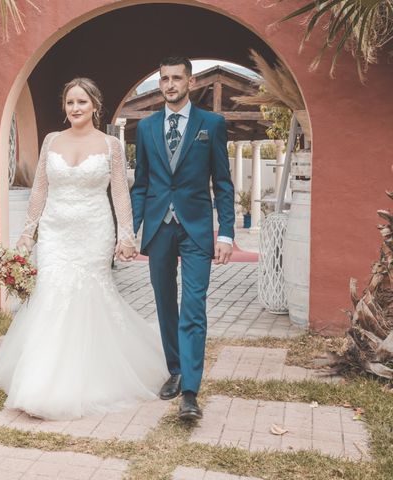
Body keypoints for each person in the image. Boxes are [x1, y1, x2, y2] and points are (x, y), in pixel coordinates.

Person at [0, 78, 167, 421]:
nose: (75, 108)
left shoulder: (111, 145)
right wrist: (29, 233)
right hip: (55, 232)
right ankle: (38, 383)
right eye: (70, 102)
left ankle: (89, 377)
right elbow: (40, 188)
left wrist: (126, 235)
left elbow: (119, 193)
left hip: (93, 231)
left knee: (86, 296)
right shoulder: (51, 141)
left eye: (81, 102)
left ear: (95, 106)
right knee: (52, 294)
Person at [130, 56, 235, 421]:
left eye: (176, 78)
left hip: (196, 228)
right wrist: (131, 229)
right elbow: (141, 184)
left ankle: (190, 391)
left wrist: (226, 233)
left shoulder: (212, 124)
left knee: (193, 306)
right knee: (165, 303)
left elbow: (222, 183)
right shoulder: (146, 128)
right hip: (159, 227)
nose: (170, 84)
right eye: (164, 79)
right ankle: (175, 368)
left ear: (189, 82)